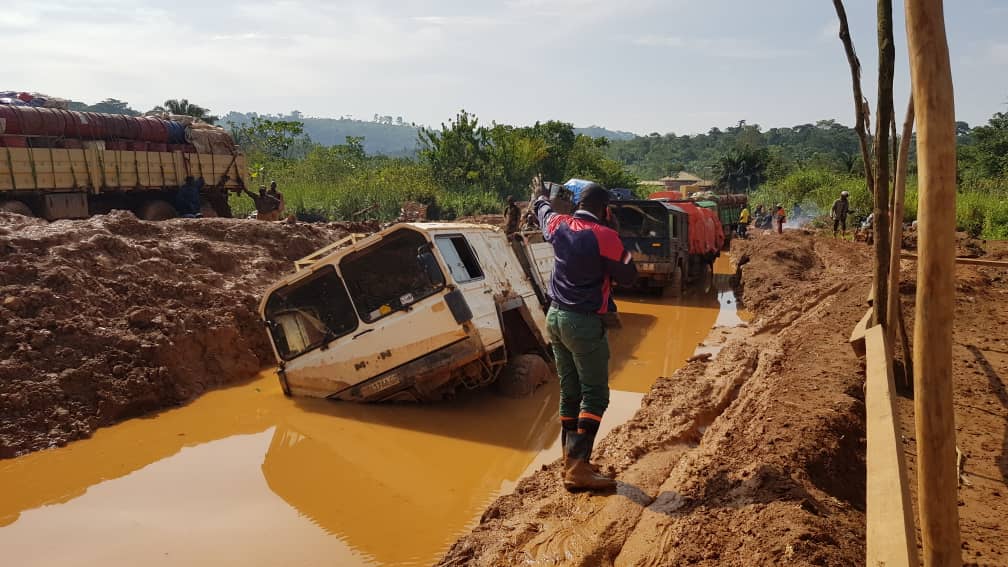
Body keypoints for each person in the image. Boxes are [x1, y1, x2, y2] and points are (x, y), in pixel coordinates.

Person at [533, 180, 637, 492]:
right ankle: (577, 468)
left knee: (570, 391)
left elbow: (542, 209)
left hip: (554, 317)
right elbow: (629, 276)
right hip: (583, 322)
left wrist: (539, 196)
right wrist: (617, 237)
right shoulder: (605, 236)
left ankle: (571, 462)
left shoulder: (558, 224)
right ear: (605, 210)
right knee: (595, 395)